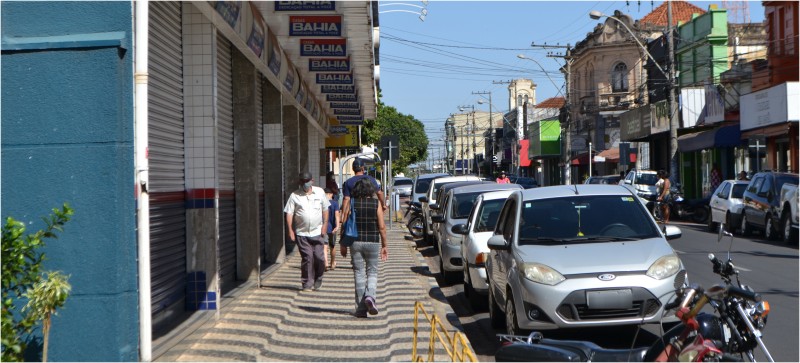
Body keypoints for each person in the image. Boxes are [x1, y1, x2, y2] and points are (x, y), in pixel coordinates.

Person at [340, 178, 388, 318]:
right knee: (372, 272)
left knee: (359, 273)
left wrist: (342, 244)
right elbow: (382, 227)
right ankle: (370, 296)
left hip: (355, 242)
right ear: (370, 190)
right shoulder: (376, 204)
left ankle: (361, 310)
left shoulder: (352, 203)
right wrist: (385, 245)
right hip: (373, 242)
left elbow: (344, 223)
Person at [284, 172, 330, 291]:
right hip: (302, 233)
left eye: (307, 180)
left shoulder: (319, 192)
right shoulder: (295, 195)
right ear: (300, 182)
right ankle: (307, 283)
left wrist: (325, 225)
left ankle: (319, 277)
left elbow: (325, 209)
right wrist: (290, 230)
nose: (305, 183)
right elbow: (289, 213)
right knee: (308, 258)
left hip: (318, 231)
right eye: (303, 181)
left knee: (319, 258)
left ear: (312, 181)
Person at [341, 158, 386, 224]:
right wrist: (383, 204)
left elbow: (346, 198)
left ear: (353, 169)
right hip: (370, 206)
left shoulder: (348, 182)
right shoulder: (371, 179)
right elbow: (379, 193)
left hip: (354, 208)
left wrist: (343, 213)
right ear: (363, 168)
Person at [324, 188, 341, 270]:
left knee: (324, 246)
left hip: (323, 227)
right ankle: (333, 262)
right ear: (331, 194)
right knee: (332, 246)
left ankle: (326, 262)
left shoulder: (322, 203)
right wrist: (337, 226)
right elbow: (337, 215)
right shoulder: (335, 203)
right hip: (333, 228)